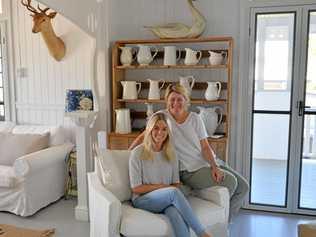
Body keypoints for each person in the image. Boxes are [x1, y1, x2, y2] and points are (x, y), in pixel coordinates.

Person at [129, 84, 249, 220]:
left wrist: (215, 166)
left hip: (208, 162)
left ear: (186, 100)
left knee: (244, 187)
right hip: (189, 170)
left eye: (180, 99)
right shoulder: (162, 117)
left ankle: (226, 224)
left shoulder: (195, 119)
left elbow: (205, 147)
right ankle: (222, 222)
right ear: (167, 100)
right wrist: (127, 154)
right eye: (172, 99)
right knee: (231, 182)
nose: (176, 103)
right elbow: (143, 136)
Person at [129, 113, 212, 237]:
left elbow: (175, 184)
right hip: (142, 199)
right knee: (173, 192)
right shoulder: (137, 153)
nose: (160, 132)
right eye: (156, 128)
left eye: (164, 129)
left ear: (168, 132)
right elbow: (136, 188)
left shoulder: (171, 154)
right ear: (149, 130)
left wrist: (168, 189)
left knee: (175, 213)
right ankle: (202, 233)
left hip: (165, 199)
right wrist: (163, 187)